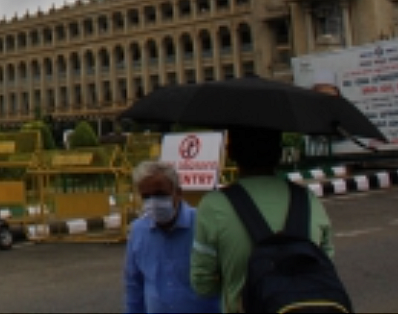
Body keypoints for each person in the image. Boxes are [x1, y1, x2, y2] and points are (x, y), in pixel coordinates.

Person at [191, 126, 334, 313]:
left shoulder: (213, 205)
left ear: (230, 152)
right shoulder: (308, 199)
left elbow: (203, 284)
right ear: (279, 153)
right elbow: (326, 263)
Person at [124, 161, 221, 314]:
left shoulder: (204, 225)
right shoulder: (138, 231)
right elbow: (134, 285)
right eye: (146, 196)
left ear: (178, 193)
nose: (153, 202)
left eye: (160, 194)